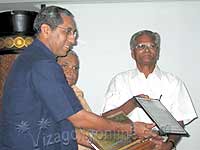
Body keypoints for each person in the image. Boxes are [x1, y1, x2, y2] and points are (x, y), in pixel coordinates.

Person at [1, 6, 160, 150]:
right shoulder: (42, 63)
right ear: (46, 30)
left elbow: (63, 123)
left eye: (74, 33)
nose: (73, 39)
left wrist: (105, 144)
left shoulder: (32, 58)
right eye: (68, 31)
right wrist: (131, 129)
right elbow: (78, 118)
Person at [102, 30, 197, 150]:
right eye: (141, 46)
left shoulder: (173, 82)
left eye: (152, 46)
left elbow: (179, 122)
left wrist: (169, 145)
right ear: (132, 53)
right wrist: (133, 103)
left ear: (157, 53)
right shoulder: (119, 80)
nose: (147, 50)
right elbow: (106, 118)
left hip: (160, 143)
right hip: (125, 143)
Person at [57, 50, 91, 149]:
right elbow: (71, 132)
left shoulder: (76, 92)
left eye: (75, 68)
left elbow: (91, 127)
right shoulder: (51, 94)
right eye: (64, 66)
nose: (71, 72)